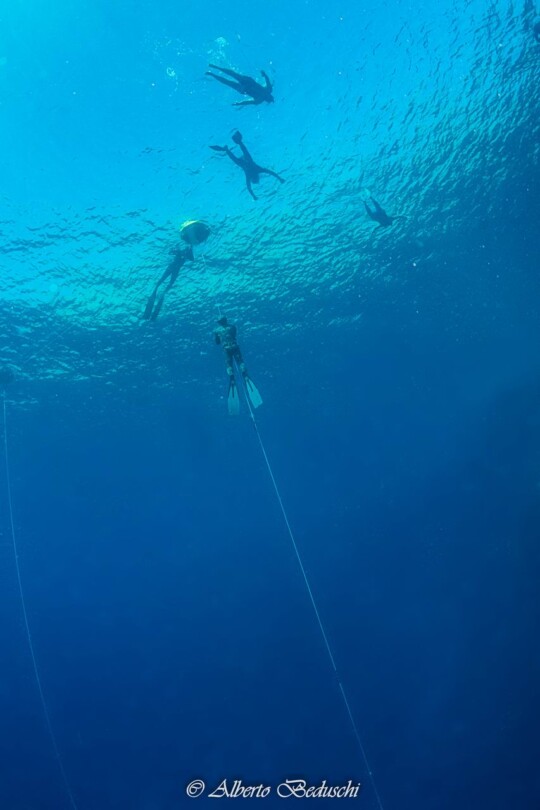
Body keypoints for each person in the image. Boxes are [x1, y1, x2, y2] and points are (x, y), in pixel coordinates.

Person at [210, 130, 285, 200]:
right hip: (245, 162)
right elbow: (271, 173)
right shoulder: (257, 171)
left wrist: (279, 178)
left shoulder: (252, 174)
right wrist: (279, 178)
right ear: (256, 178)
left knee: (239, 156)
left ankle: (231, 147)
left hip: (244, 163)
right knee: (239, 156)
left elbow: (250, 187)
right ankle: (231, 147)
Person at [214, 316, 262, 415]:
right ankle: (245, 374)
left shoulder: (217, 330)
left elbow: (217, 343)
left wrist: (216, 335)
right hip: (235, 347)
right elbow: (234, 334)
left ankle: (231, 377)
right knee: (240, 361)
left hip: (226, 349)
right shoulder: (232, 326)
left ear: (219, 322)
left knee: (228, 363)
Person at [143, 245, 194, 320]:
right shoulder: (180, 251)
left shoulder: (187, 254)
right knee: (161, 281)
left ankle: (162, 295)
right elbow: (170, 252)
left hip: (176, 269)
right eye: (188, 248)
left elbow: (192, 259)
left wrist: (189, 252)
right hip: (172, 267)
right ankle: (155, 294)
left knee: (169, 284)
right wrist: (177, 250)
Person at [205, 64, 274, 106]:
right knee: (228, 81)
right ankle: (213, 73)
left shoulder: (268, 91)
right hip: (245, 88)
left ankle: (215, 69)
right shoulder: (260, 100)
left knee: (232, 75)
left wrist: (264, 74)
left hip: (247, 85)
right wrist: (238, 103)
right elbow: (247, 102)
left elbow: (247, 102)